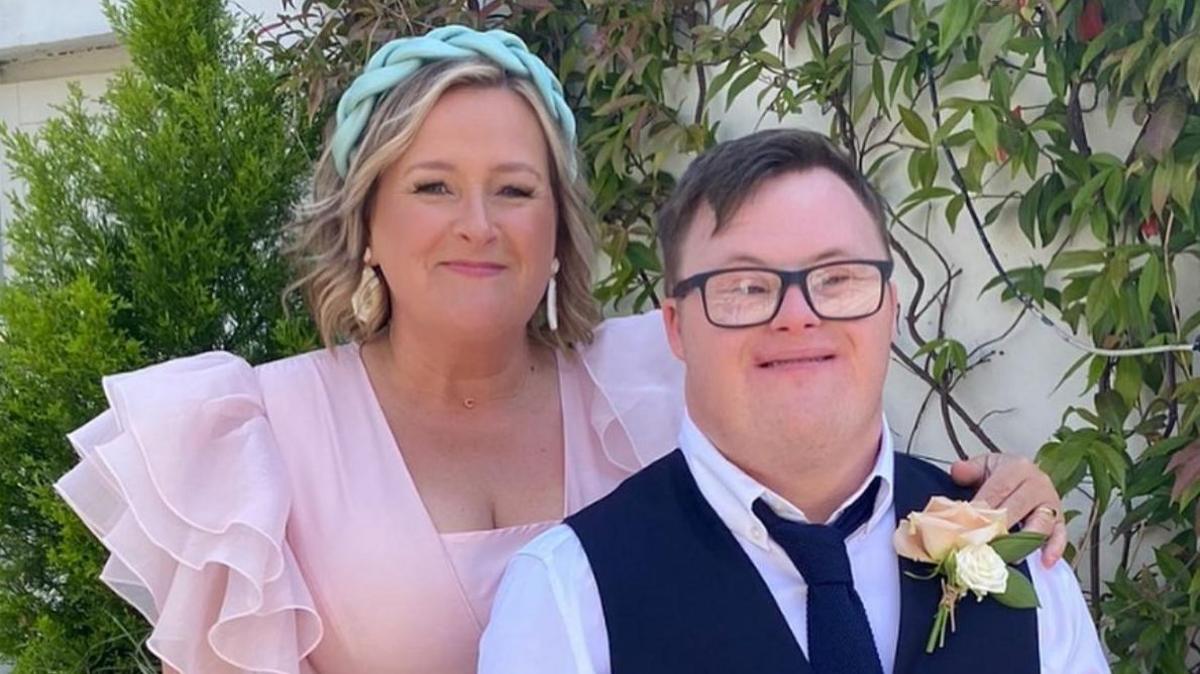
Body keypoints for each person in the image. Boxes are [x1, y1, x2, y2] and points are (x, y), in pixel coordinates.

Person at [54, 27, 1068, 674]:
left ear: (557, 225)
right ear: (365, 218)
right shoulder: (258, 438)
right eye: (433, 185)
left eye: (515, 187)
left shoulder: (646, 377)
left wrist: (1002, 494)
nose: (478, 223)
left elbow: (829, 467)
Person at [477, 129, 1108, 674]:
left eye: (838, 278)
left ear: (890, 306)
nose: (798, 316)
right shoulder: (568, 595)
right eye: (745, 287)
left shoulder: (1020, 552)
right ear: (675, 327)